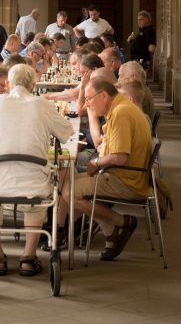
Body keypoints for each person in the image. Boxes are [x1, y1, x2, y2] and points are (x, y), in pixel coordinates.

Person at [0, 63, 73, 277]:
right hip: (34, 181)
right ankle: (28, 257)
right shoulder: (42, 104)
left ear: (8, 84)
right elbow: (66, 131)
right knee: (35, 205)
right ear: (33, 85)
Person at [60, 77, 152, 260]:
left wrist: (95, 163)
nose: (87, 104)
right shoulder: (121, 107)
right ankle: (107, 230)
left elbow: (119, 157)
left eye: (89, 99)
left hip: (126, 180)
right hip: (123, 174)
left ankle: (122, 222)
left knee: (68, 191)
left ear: (103, 95)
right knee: (67, 182)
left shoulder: (121, 113)